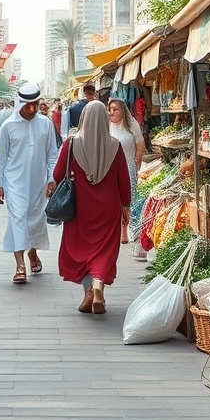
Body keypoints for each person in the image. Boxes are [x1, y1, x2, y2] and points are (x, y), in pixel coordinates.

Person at [48, 100, 130, 314]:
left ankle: (89, 291)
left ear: (83, 118)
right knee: (103, 250)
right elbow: (124, 179)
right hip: (108, 208)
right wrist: (126, 205)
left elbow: (57, 175)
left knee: (82, 251)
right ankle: (96, 287)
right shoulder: (115, 145)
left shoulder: (71, 144)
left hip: (81, 209)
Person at [0, 84, 60, 284]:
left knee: (36, 220)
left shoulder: (46, 124)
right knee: (18, 219)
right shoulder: (8, 126)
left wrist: (51, 179)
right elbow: (0, 158)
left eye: (35, 105)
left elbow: (52, 155)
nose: (31, 110)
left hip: (39, 182)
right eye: (27, 106)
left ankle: (33, 252)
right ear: (19, 103)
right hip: (14, 183)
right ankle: (20, 265)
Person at [108, 99, 146, 244]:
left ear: (122, 111)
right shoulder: (107, 126)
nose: (112, 112)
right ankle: (115, 230)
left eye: (115, 109)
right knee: (113, 202)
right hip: (111, 170)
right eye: (110, 109)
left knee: (127, 202)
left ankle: (125, 231)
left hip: (128, 168)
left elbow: (140, 146)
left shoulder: (131, 125)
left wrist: (135, 164)